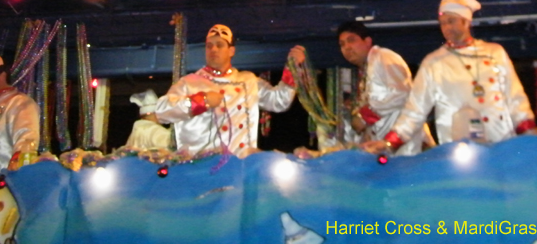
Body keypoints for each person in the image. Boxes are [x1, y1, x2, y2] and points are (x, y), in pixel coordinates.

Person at [364, 0, 535, 155]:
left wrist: (529, 134)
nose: (446, 27)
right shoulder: (433, 62)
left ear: (466, 22)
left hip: (500, 143)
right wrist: (389, 142)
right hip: (457, 150)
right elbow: (415, 110)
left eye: (451, 21)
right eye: (442, 23)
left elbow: (515, 98)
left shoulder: (494, 53)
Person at [155, 24, 305, 158]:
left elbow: (279, 102)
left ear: (231, 50)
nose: (213, 49)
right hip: (200, 167)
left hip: (240, 168)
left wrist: (292, 68)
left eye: (219, 45)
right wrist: (201, 101)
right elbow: (162, 111)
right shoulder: (190, 82)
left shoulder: (248, 80)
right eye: (209, 46)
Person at [337, 21, 431, 156]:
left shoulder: (382, 57)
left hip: (408, 147)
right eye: (342, 44)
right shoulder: (365, 71)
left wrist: (364, 117)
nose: (347, 47)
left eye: (351, 40)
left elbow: (402, 94)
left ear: (367, 41)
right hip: (387, 150)